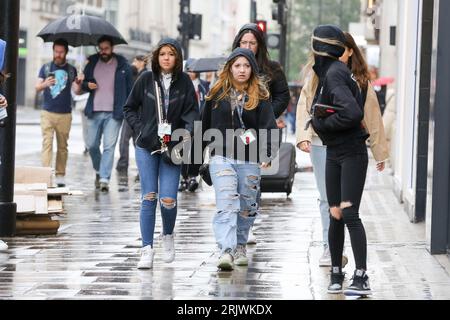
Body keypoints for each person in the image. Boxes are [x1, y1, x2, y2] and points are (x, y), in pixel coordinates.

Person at [297, 32, 389, 271]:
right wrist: (304, 136)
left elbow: (371, 115)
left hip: (348, 145)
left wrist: (379, 152)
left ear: (350, 51)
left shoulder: (357, 79)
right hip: (320, 141)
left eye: (347, 49)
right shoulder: (318, 76)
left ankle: (352, 266)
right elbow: (305, 104)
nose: (343, 54)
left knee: (346, 209)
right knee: (328, 200)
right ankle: (331, 250)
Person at [124, 38, 198, 269]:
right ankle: (146, 249)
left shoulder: (185, 82)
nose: (166, 57)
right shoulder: (146, 79)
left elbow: (192, 116)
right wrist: (140, 129)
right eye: (163, 53)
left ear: (178, 58)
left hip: (172, 147)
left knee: (168, 199)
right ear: (156, 56)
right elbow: (129, 107)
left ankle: (167, 234)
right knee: (149, 196)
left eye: (171, 54)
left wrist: (182, 136)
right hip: (146, 146)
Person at [201, 48, 278, 271]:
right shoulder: (216, 94)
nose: (242, 70)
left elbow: (269, 126)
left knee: (246, 204)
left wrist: (268, 153)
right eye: (237, 65)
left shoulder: (260, 96)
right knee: (226, 202)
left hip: (249, 157)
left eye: (246, 66)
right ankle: (225, 250)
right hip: (221, 156)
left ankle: (240, 246)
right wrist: (193, 161)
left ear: (252, 69)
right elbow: (204, 125)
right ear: (230, 68)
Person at [232, 23, 290, 245]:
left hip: (258, 133)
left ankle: (248, 222)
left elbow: (282, 96)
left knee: (252, 178)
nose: (248, 46)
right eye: (244, 42)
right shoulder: (232, 65)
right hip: (234, 131)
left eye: (252, 43)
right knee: (233, 176)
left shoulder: (272, 69)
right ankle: (236, 222)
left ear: (260, 45)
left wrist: (267, 115)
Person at [82, 36, 133, 192]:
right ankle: (98, 170)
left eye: (106, 48)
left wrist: (130, 109)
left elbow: (130, 89)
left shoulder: (123, 65)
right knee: (91, 145)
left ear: (112, 48)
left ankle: (104, 178)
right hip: (94, 111)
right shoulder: (91, 62)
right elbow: (84, 84)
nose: (103, 51)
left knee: (109, 147)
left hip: (114, 113)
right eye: (101, 48)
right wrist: (86, 84)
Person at [35, 39, 82, 187]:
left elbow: (76, 91)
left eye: (61, 52)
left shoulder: (71, 69)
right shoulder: (46, 67)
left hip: (65, 114)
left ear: (66, 52)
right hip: (47, 112)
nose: (58, 54)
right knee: (47, 143)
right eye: (56, 51)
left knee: (62, 146)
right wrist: (45, 84)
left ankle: (60, 175)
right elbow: (37, 87)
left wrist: (79, 82)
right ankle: (46, 174)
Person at [179, 62, 210, 192]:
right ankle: (183, 177)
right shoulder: (182, 84)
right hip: (185, 121)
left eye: (193, 70)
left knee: (197, 150)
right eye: (188, 70)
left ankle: (193, 176)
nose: (191, 72)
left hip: (200, 120)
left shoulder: (203, 85)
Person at [116, 55, 148, 179]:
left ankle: (126, 163)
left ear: (142, 62)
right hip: (134, 112)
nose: (133, 63)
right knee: (132, 140)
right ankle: (130, 164)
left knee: (128, 139)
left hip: (137, 113)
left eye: (135, 61)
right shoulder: (133, 73)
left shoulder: (145, 75)